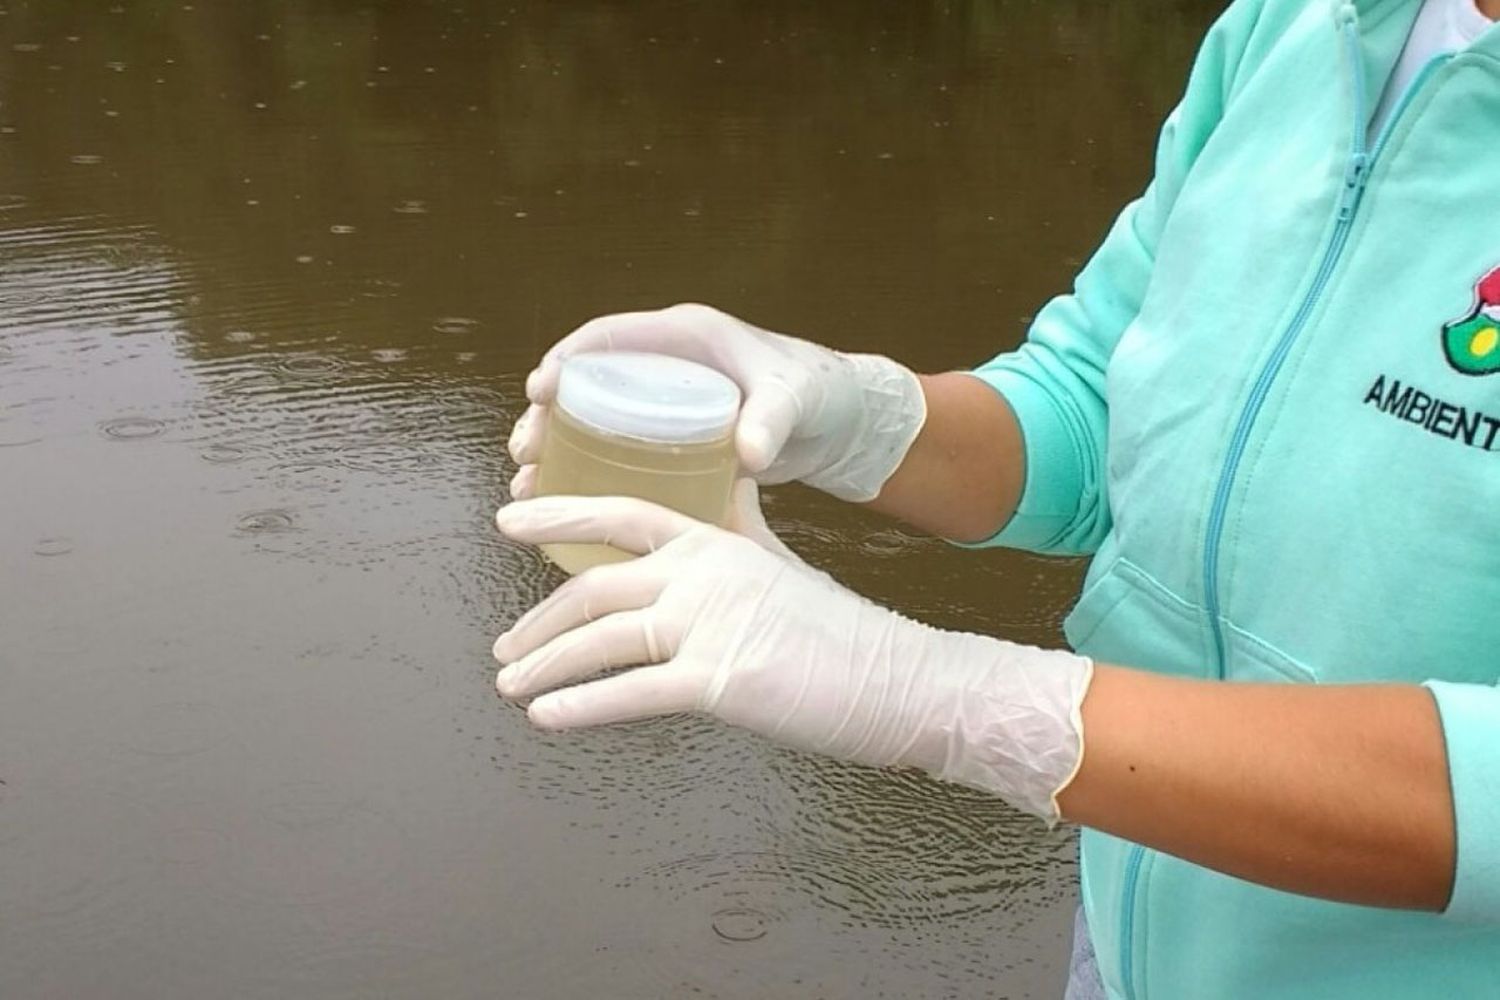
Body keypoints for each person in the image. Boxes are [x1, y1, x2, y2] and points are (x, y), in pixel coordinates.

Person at [494, 0, 1500, 995]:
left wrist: (946, 696)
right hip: (1130, 954)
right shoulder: (1294, 28)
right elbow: (1098, 404)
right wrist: (857, 416)